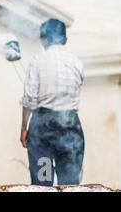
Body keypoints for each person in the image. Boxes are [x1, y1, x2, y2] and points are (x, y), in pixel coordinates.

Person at [20, 18, 85, 186]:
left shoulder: (37, 61)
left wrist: (24, 129)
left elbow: (29, 99)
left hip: (42, 129)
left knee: (43, 182)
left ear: (43, 39)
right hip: (70, 126)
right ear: (65, 40)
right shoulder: (76, 62)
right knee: (70, 184)